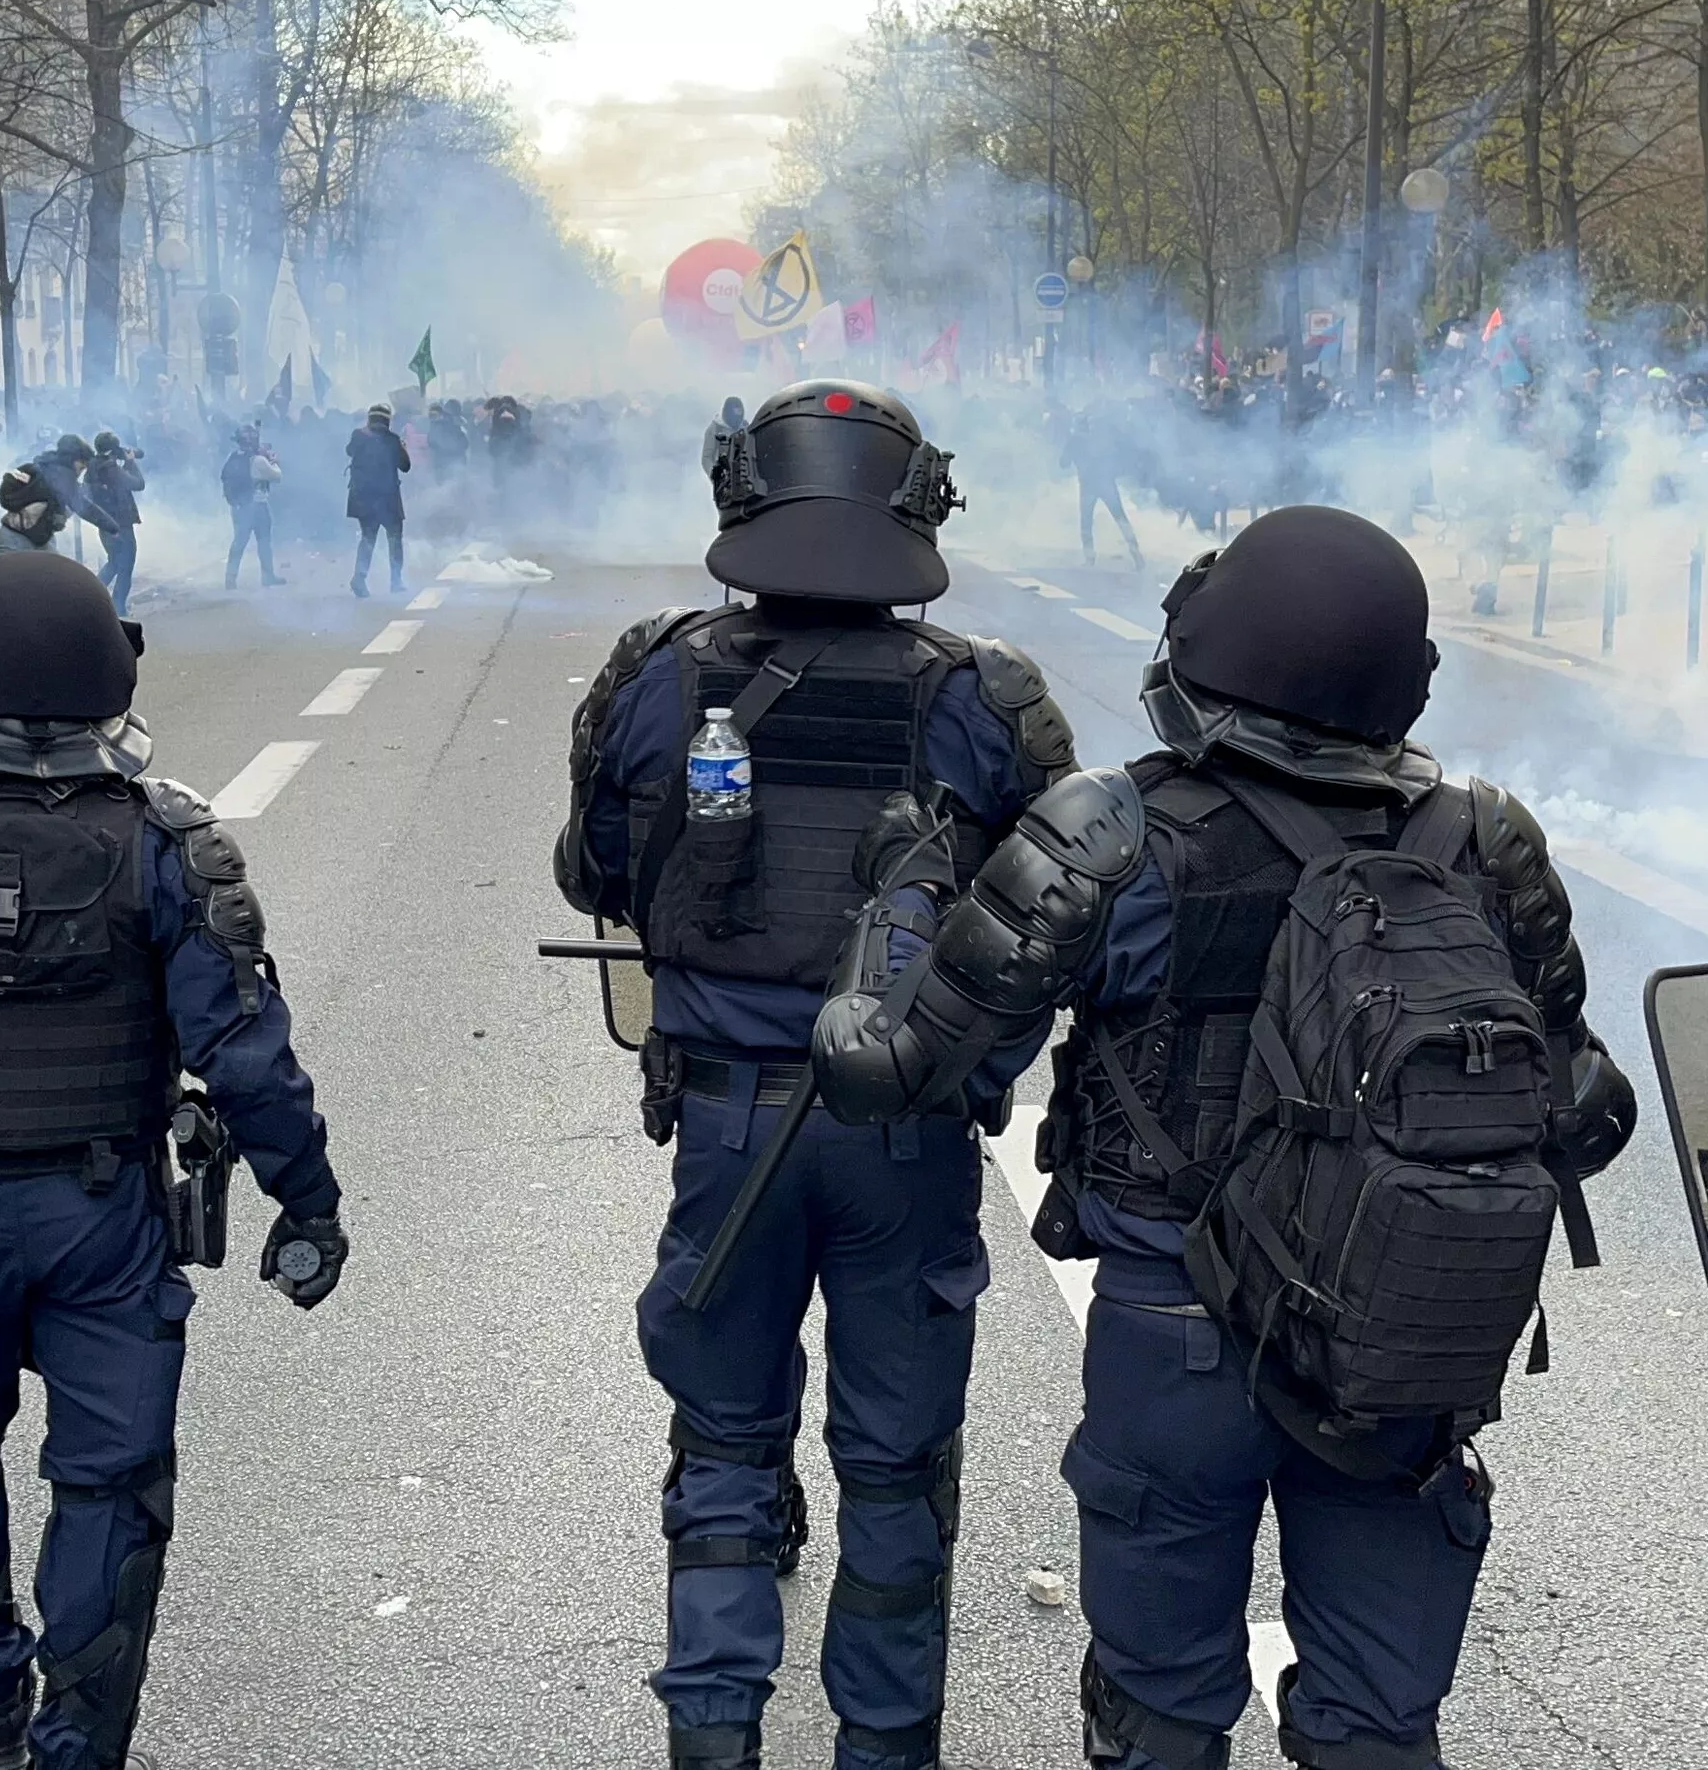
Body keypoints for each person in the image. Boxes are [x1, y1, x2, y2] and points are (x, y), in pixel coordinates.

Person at [811, 505, 1639, 1770]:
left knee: (1158, 1713)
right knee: (1380, 1726)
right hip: (1402, 1347)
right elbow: (1587, 1114)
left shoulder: (1116, 831)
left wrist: (905, 895)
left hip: (1179, 1335)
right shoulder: (1483, 838)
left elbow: (888, 1070)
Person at [555, 380, 1078, 1770]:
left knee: (726, 1444)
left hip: (726, 1124)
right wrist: (975, 1062)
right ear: (918, 503)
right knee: (896, 1466)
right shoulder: (986, 697)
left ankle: (713, 1732)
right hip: (905, 1131)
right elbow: (1057, 922)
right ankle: (885, 1744)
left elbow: (594, 869)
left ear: (746, 491)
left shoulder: (655, 674)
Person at [0, 551, 348, 1770]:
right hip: (103, 1218)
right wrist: (308, 1201)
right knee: (112, 1482)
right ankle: (77, 1741)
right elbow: (245, 1050)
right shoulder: (166, 837)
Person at [0, 434, 119, 557]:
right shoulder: (63, 478)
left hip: (24, 537)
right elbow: (86, 509)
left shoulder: (45, 467)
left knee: (53, 568)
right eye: (82, 462)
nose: (83, 468)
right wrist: (112, 528)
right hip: (20, 540)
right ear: (71, 459)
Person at [1063, 405, 1144, 570]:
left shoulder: (1074, 441)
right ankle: (1137, 556)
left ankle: (1090, 558)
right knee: (1121, 519)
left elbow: (1063, 464)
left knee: (1086, 522)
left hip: (1088, 485)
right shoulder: (1101, 440)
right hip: (1106, 483)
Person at [345, 400, 410, 597]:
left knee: (368, 538)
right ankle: (396, 580)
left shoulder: (358, 436)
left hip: (363, 497)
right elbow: (405, 466)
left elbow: (349, 451)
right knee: (394, 539)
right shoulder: (392, 440)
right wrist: (403, 447)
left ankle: (359, 577)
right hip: (387, 498)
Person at [86, 431, 146, 615]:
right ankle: (118, 606)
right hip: (121, 523)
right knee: (126, 564)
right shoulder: (111, 469)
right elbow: (138, 484)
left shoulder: (92, 466)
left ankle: (91, 596)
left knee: (114, 562)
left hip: (105, 522)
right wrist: (130, 462)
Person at [221, 423, 284, 589]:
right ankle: (268, 576)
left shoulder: (233, 457)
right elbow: (277, 476)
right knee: (264, 541)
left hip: (238, 506)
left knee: (239, 542)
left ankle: (230, 579)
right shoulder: (258, 460)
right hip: (257, 505)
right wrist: (274, 461)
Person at [700, 395, 747, 477]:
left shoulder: (745, 428)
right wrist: (713, 472)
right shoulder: (715, 429)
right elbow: (706, 457)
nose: (738, 416)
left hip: (744, 475)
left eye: (740, 412)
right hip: (723, 477)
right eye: (735, 412)